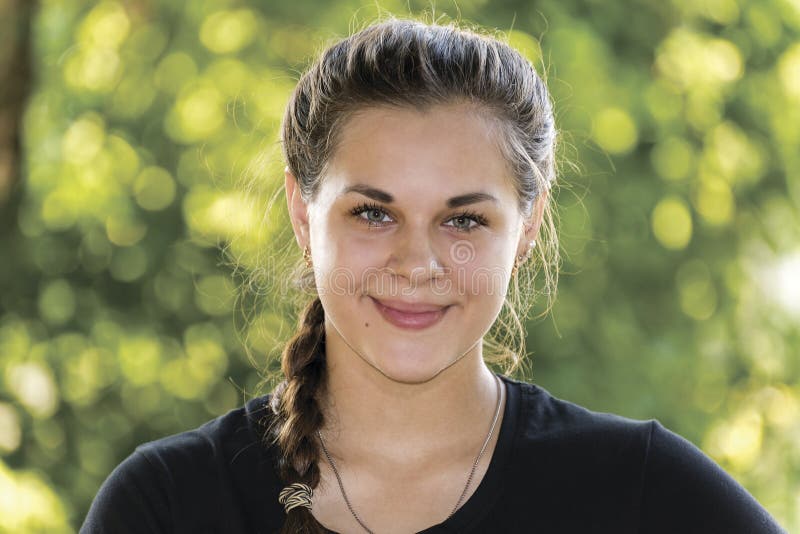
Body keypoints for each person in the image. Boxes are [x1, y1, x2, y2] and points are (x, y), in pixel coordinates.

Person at [81, 17, 785, 534]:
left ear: (528, 226)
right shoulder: (169, 505)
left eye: (465, 221)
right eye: (372, 214)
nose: (417, 263)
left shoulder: (638, 493)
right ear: (302, 213)